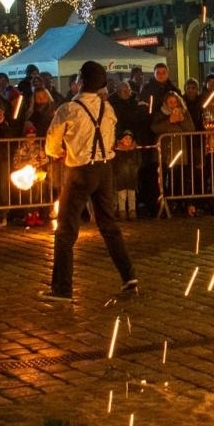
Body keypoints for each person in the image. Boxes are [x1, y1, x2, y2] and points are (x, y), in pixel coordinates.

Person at [39, 61, 137, 304]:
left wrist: (61, 152)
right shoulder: (108, 109)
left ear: (80, 81)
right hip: (105, 170)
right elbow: (110, 137)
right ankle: (129, 277)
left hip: (80, 171)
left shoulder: (68, 109)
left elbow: (51, 145)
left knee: (66, 229)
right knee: (108, 225)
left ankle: (62, 288)